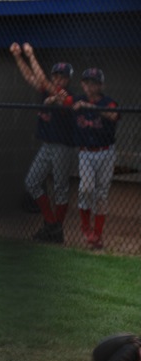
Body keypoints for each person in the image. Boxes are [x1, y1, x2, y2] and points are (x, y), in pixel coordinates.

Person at [10, 42, 75, 244]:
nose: (58, 79)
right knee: (32, 182)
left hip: (62, 146)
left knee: (61, 188)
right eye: (56, 76)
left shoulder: (68, 97)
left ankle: (56, 230)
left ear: (68, 79)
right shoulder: (46, 91)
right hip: (46, 145)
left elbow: (45, 83)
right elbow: (31, 77)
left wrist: (31, 55)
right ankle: (52, 224)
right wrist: (18, 57)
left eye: (62, 77)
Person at [61, 68, 119, 250]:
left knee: (101, 194)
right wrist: (55, 98)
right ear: (82, 84)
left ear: (101, 86)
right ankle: (86, 227)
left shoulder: (108, 102)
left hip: (106, 152)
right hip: (86, 152)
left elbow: (114, 115)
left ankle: (97, 236)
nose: (90, 86)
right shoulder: (77, 99)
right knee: (85, 188)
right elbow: (63, 100)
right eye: (87, 82)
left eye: (94, 83)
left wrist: (90, 107)